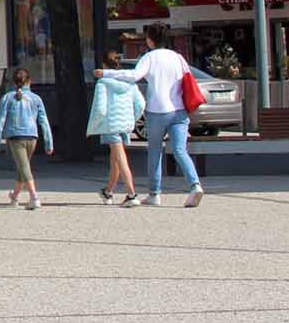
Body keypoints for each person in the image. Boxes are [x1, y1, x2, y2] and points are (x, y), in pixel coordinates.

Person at [100, 24, 202, 207]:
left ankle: (155, 193)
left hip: (157, 111)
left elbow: (134, 75)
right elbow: (188, 80)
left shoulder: (149, 57)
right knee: (180, 150)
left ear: (150, 39)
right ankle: (194, 185)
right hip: (179, 111)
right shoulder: (178, 57)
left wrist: (107, 73)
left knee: (154, 151)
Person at [0, 66, 54, 209]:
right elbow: (44, 121)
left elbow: (0, 120)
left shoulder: (7, 97)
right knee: (23, 167)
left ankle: (34, 197)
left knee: (24, 167)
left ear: (14, 82)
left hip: (15, 136)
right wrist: (48, 143)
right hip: (32, 136)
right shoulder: (36, 98)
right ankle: (14, 197)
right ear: (29, 81)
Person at [86, 54, 142, 206]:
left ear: (104, 65)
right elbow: (141, 104)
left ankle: (131, 194)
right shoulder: (130, 83)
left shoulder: (102, 83)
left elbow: (100, 110)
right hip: (125, 125)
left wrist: (92, 127)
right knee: (115, 159)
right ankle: (108, 191)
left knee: (120, 158)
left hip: (110, 125)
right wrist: (133, 119)